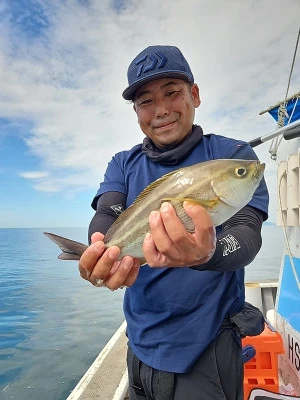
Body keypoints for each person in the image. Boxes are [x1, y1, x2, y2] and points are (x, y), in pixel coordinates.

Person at [79, 45, 269, 400]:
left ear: (194, 95)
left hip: (206, 347)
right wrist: (99, 248)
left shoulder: (234, 156)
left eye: (171, 92)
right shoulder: (123, 163)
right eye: (146, 101)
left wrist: (207, 253)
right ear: (136, 111)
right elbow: (109, 211)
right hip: (138, 344)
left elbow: (247, 233)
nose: (161, 110)